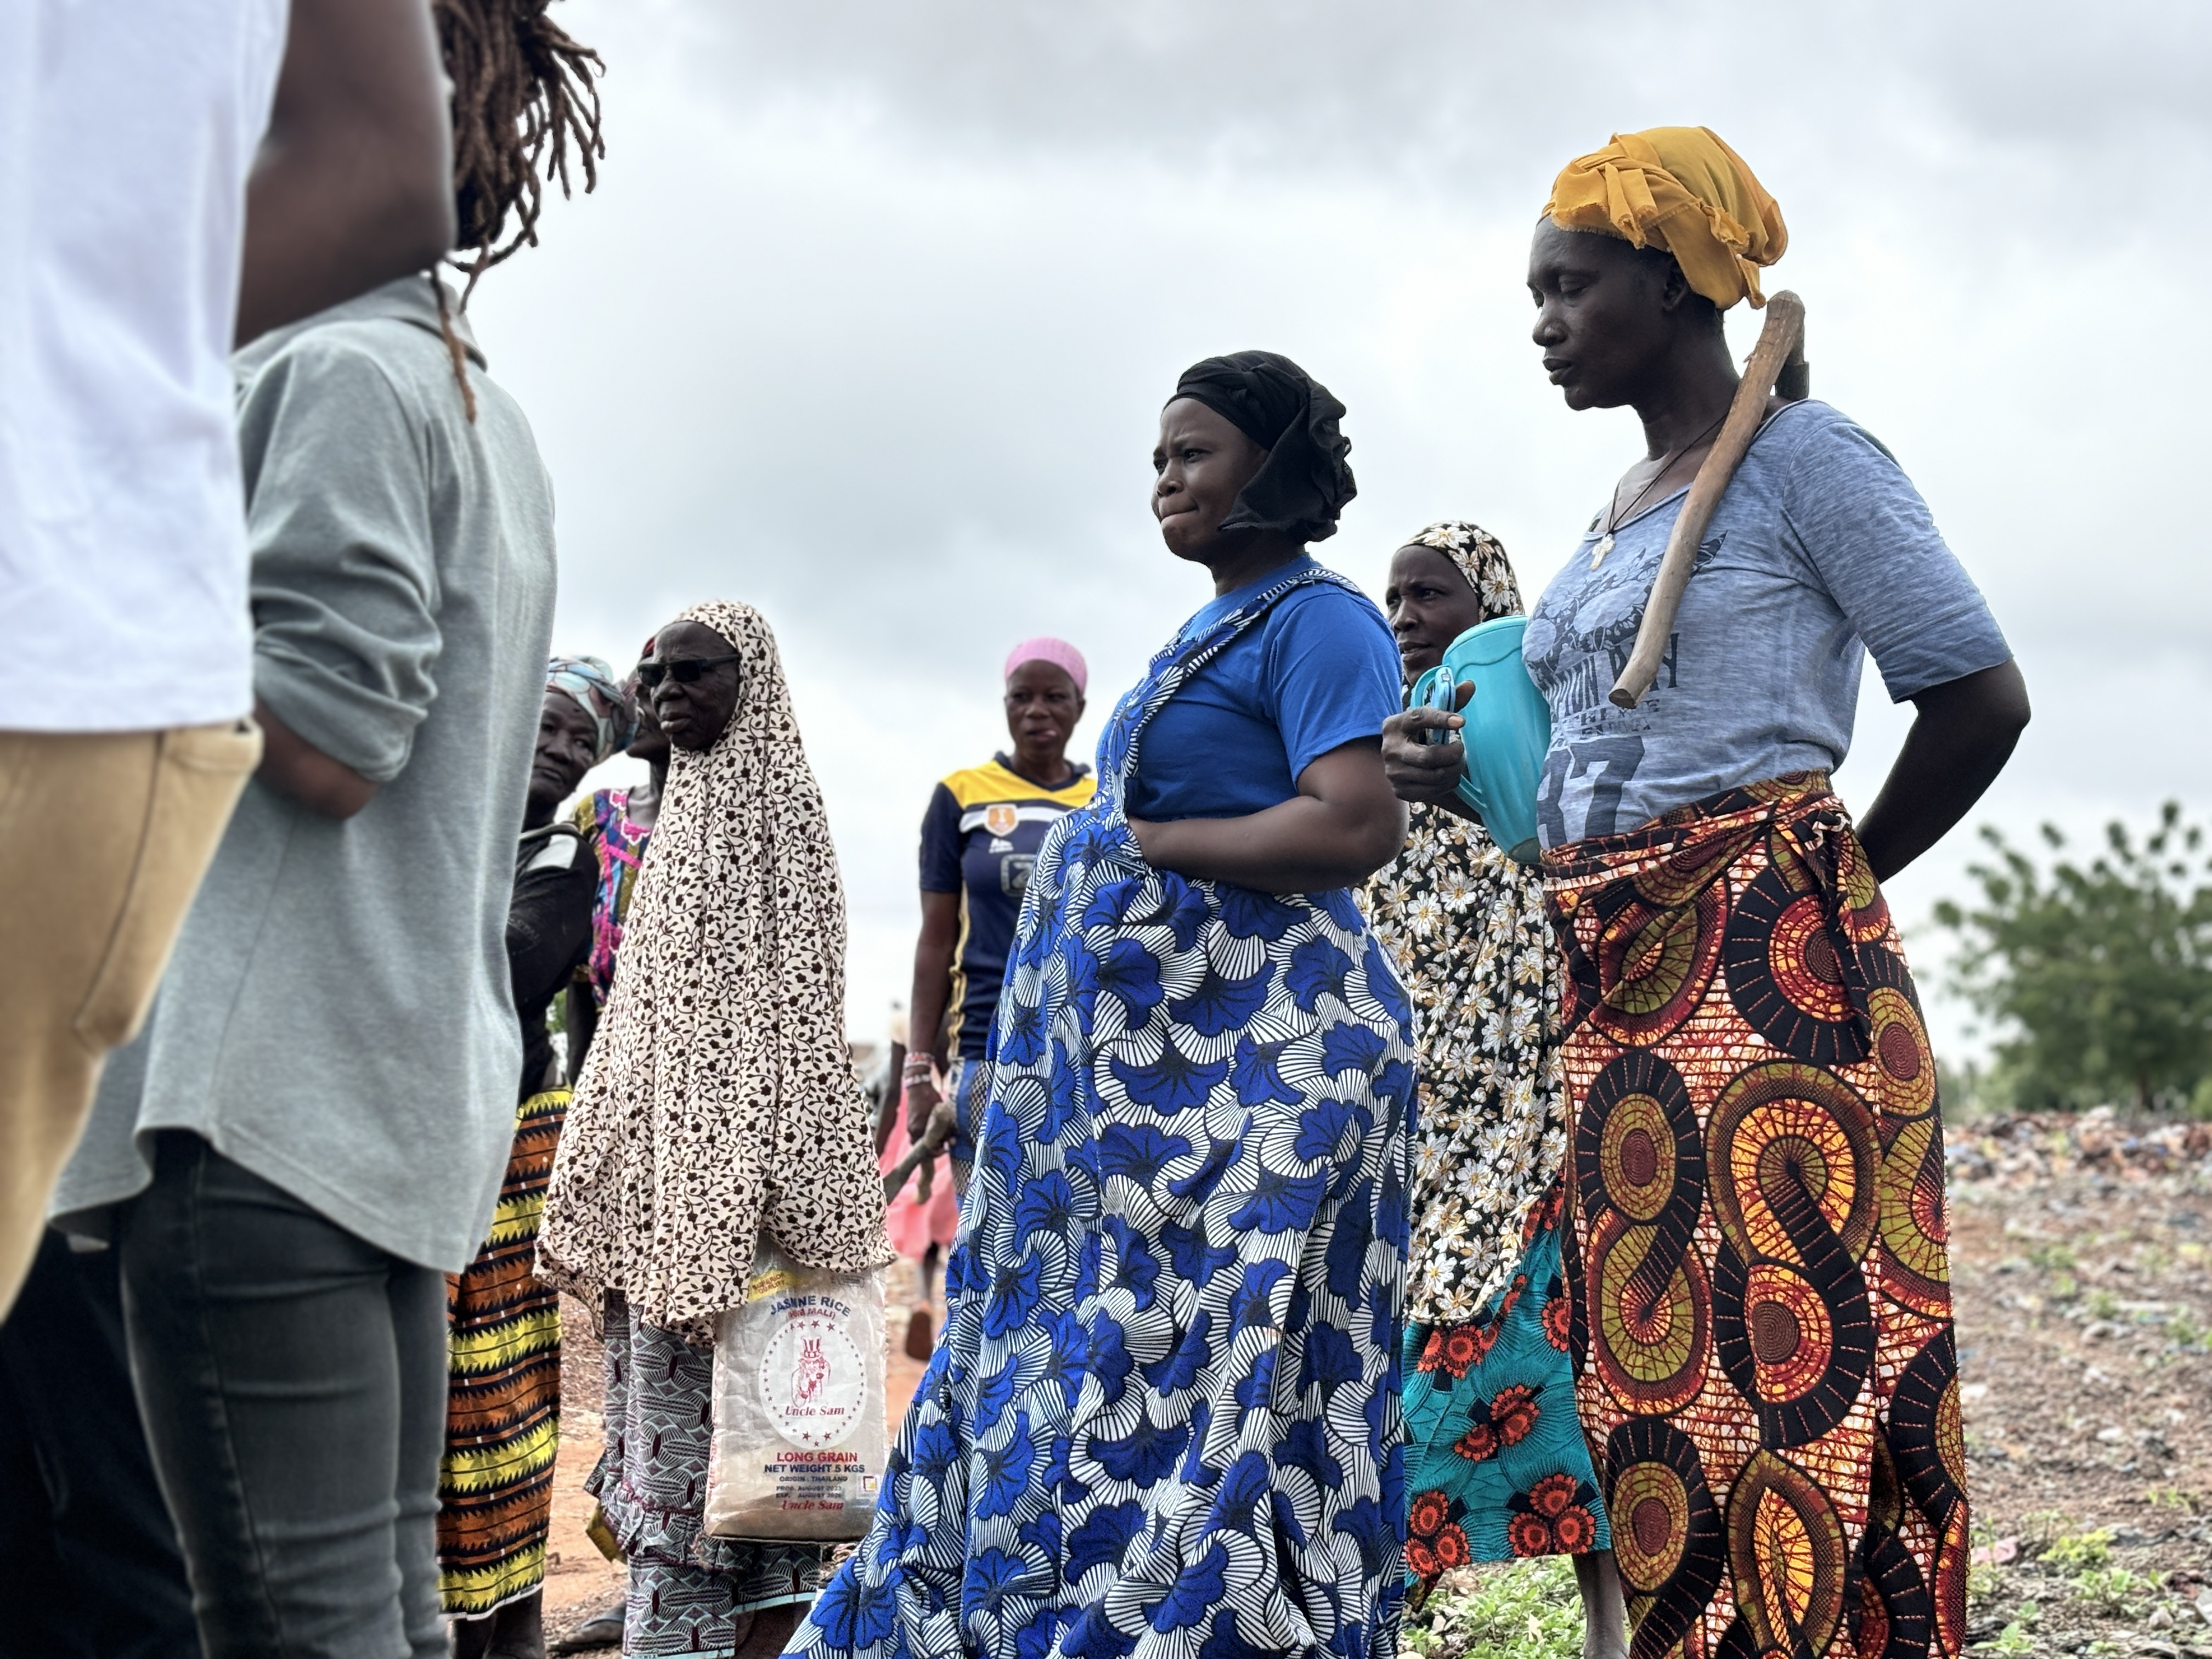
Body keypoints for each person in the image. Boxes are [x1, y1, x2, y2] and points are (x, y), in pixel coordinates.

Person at [1384, 129, 2028, 1658]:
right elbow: (1594, 762)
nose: (1541, 322)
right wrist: (1458, 777)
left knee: (1781, 1367)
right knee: (1653, 1382)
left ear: (1675, 285)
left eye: (1569, 287)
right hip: (1613, 976)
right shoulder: (1623, 503)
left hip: (1761, 966)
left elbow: (1979, 696)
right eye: (1533, 294)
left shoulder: (1811, 463)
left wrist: (1823, 885)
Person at [47, 7, 600, 1650]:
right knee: (384, 1619)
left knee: (296, 1626)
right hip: (369, 1102)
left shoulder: (326, 372)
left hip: (248, 1107)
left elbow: (330, 738)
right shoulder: (472, 404)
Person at [792, 351, 1414, 1659]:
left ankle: (1216, 1620)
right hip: (1161, 1095)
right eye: (1156, 459)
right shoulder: (1214, 627)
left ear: (1273, 466)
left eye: (1192, 454)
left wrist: (1156, 843)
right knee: (1110, 1356)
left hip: (1271, 1079)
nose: (1165, 482)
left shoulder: (1326, 622)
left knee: (1226, 1367)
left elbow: (1356, 824)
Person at [0, 0, 457, 1318]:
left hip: (281, 1103)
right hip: (86, 656)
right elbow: (380, 156)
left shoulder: (351, 383)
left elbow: (341, 745)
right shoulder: (408, 381)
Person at [538, 603, 893, 1659]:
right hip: (664, 1206)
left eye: (693, 671)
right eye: (652, 676)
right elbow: (642, 1025)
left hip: (752, 1211)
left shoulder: (785, 820)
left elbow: (791, 1031)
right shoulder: (668, 824)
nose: (664, 692)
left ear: (756, 683)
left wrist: (731, 1195)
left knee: (775, 1486)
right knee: (680, 1488)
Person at [1365, 522, 1624, 1657]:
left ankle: (1608, 1620)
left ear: (1497, 606)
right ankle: (1391, 1611)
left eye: (1432, 593)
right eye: (1394, 595)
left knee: (1552, 1382)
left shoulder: (1532, 750)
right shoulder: (1382, 757)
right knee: (1404, 1387)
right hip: (1422, 1134)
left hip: (1528, 1131)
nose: (1406, 613)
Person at [441, 657, 635, 1659]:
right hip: (431, 1130)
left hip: (508, 1140)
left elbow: (517, 968)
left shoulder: (563, 858)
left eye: (580, 741)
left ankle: (507, 1614)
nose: (560, 750)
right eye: (549, 726)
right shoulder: (450, 812)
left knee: (496, 1385)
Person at [901, 639, 1096, 1340]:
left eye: (1055, 697)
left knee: (1076, 1242)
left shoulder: (1105, 800)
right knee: (992, 1242)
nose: (1037, 711)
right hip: (988, 1048)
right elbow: (934, 940)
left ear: (1081, 707)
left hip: (1087, 1055)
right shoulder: (961, 797)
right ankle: (979, 1412)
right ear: (1004, 704)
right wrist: (921, 1070)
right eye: (1022, 697)